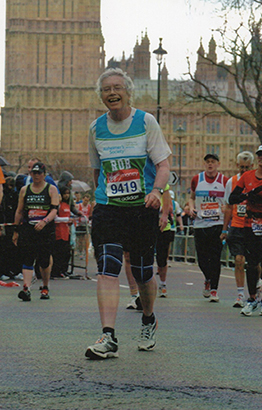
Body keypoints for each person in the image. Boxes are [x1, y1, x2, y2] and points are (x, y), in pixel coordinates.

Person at [85, 68, 171, 360]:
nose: (112, 93)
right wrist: (100, 198)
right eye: (106, 88)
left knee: (143, 270)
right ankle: (108, 336)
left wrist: (157, 192)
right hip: (109, 208)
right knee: (107, 267)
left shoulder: (146, 122)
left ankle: (148, 318)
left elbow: (163, 164)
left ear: (127, 91)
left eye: (117, 87)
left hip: (141, 208)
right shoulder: (96, 128)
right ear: (101, 95)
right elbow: (97, 171)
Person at [229, 145, 262, 316]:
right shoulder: (247, 176)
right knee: (252, 264)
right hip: (250, 224)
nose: (261, 158)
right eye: (259, 155)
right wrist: (247, 195)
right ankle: (252, 299)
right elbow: (232, 198)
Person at [12, 162, 59, 301]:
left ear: (44, 175)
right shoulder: (25, 190)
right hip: (29, 228)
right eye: (34, 173)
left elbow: (54, 209)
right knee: (27, 257)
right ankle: (26, 288)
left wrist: (45, 221)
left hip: (45, 229)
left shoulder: (51, 189)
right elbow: (19, 210)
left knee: (44, 261)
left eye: (39, 173)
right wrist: (16, 229)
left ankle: (45, 287)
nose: (36, 176)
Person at [220, 151, 259, 308]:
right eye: (241, 167)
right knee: (238, 260)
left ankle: (255, 290)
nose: (243, 170)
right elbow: (228, 207)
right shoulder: (232, 181)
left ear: (252, 166)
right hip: (237, 226)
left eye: (247, 167)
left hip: (254, 226)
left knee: (255, 264)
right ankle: (240, 294)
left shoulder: (257, 181)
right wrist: (224, 229)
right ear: (237, 166)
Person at [189, 153, 228, 302]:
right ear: (204, 164)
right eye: (207, 162)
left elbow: (229, 202)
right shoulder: (196, 179)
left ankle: (214, 290)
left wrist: (225, 208)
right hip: (200, 224)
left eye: (213, 162)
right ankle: (208, 278)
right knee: (202, 259)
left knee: (215, 257)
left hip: (217, 223)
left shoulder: (224, 181)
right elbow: (192, 198)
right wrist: (191, 207)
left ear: (218, 164)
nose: (210, 164)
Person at [51, 187, 73, 279]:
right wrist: (67, 219)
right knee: (58, 253)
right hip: (58, 231)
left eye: (68, 193)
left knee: (66, 253)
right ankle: (56, 271)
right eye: (65, 194)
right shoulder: (58, 205)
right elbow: (56, 218)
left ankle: (64, 270)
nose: (66, 195)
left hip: (66, 232)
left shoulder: (67, 205)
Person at [156, 186, 173, 298]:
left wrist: (160, 208)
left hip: (163, 228)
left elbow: (170, 208)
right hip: (146, 226)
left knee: (161, 259)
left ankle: (162, 284)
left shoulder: (164, 186)